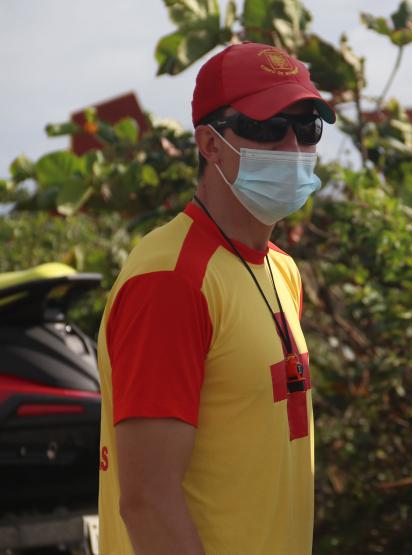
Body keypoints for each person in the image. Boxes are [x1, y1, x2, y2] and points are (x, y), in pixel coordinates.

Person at [96, 42, 335, 554]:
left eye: (308, 127)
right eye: (269, 127)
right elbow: (147, 501)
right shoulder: (170, 280)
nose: (293, 147)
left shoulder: (280, 269)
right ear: (209, 143)